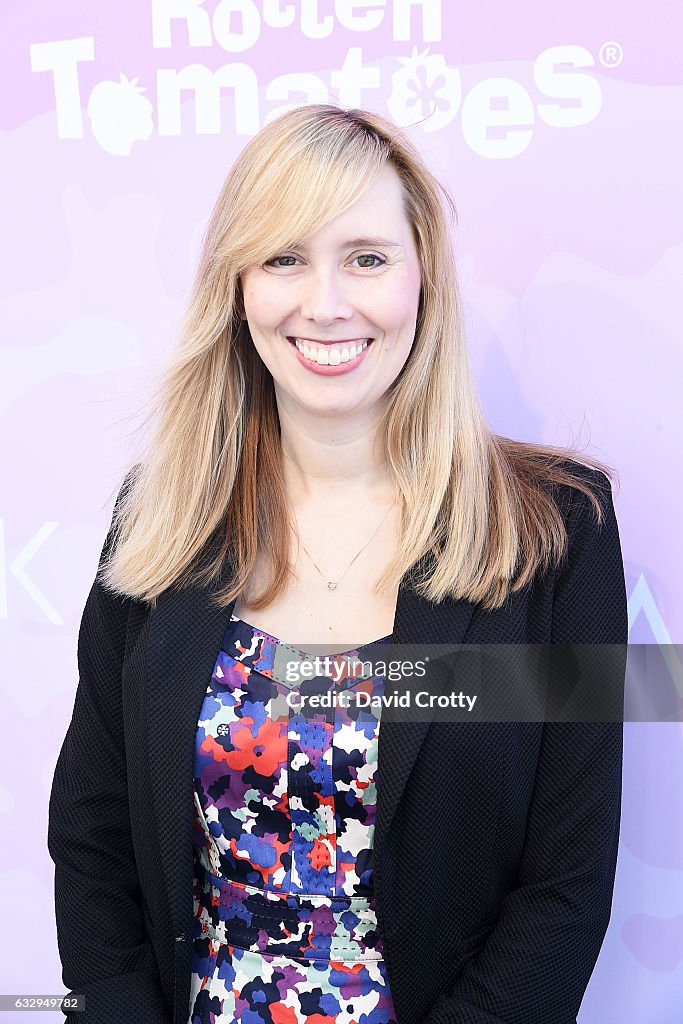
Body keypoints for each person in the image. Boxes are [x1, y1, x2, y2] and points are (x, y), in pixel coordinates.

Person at [48, 104, 628, 1024]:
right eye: (282, 257)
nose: (324, 303)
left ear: (422, 277)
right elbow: (91, 839)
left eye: (366, 257)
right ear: (235, 287)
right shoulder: (156, 520)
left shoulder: (557, 531)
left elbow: (565, 883)